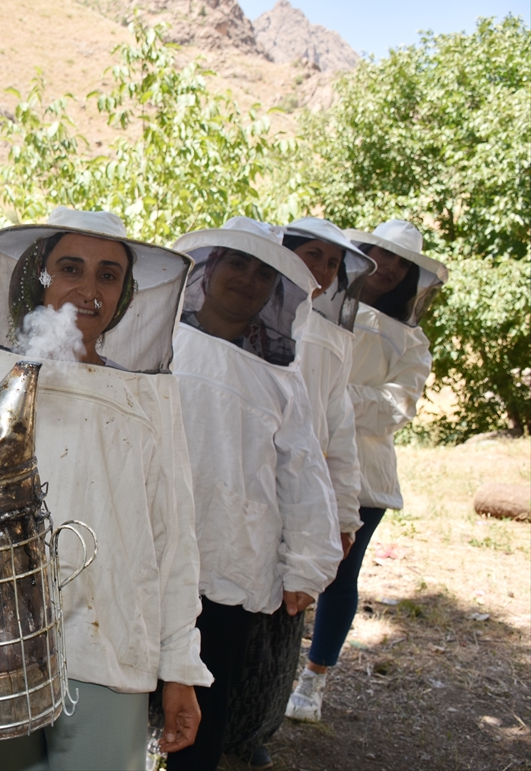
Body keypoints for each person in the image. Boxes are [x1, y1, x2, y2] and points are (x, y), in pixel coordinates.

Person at [0, 207, 211, 771]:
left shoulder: (147, 396)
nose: (89, 289)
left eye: (108, 275)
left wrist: (180, 669)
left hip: (108, 638)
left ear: (125, 294)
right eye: (71, 268)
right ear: (38, 277)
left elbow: (172, 534)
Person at [165, 217, 341, 771]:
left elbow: (303, 473)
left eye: (263, 272)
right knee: (128, 696)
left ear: (275, 293)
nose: (246, 278)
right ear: (208, 270)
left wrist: (308, 564)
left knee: (204, 710)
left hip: (232, 560)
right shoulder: (157, 342)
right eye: (236, 263)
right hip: (150, 547)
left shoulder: (283, 380)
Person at [219, 217, 377, 769]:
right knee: (214, 615)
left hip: (296, 497)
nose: (324, 270)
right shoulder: (237, 315)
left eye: (334, 263)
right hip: (236, 491)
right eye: (314, 255)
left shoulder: (333, 341)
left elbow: (336, 430)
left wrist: (344, 514)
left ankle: (249, 728)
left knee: (277, 628)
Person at [287, 220, 448, 724]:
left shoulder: (411, 342)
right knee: (283, 566)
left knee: (338, 574)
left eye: (400, 263)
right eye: (380, 254)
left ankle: (314, 678)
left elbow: (396, 406)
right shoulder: (317, 307)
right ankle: (264, 677)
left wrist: (335, 396)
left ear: (410, 276)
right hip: (294, 452)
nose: (389, 267)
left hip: (363, 475)